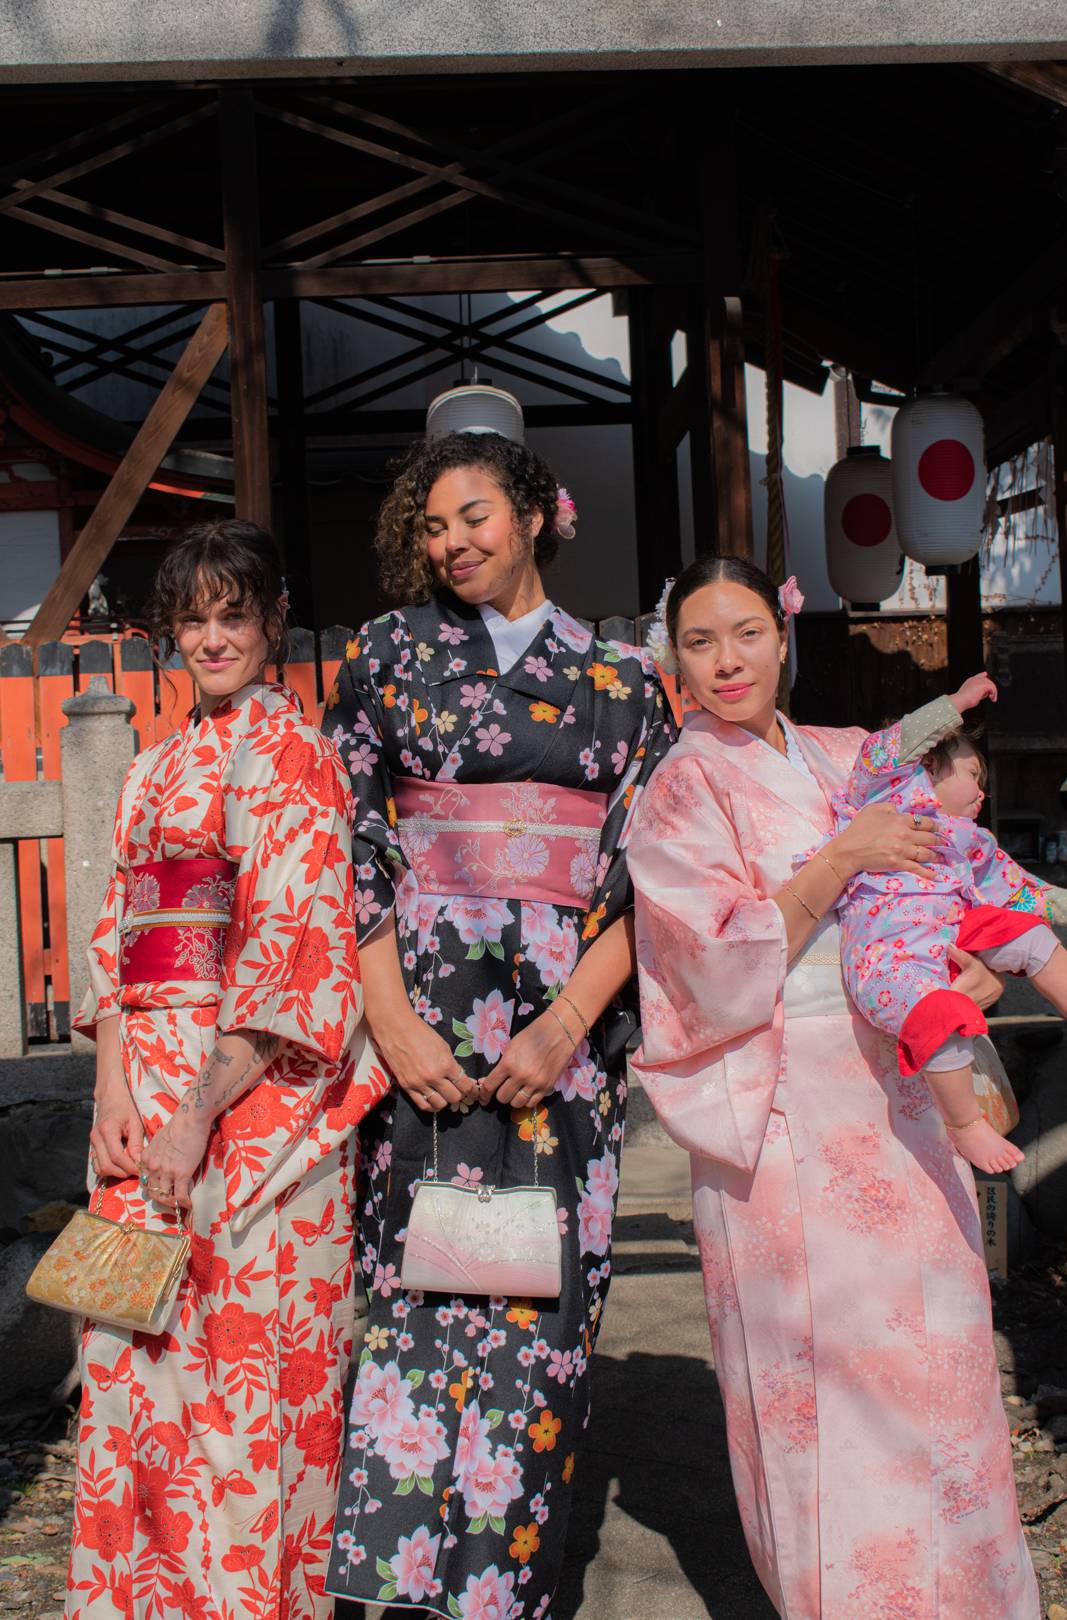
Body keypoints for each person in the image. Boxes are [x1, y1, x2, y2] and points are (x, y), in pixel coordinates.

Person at [628, 556, 1038, 1618]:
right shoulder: (681, 788)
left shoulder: (848, 755)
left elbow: (951, 862)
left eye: (748, 634)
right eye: (702, 641)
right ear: (673, 656)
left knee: (938, 1365)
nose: (727, 662)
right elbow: (704, 966)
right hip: (784, 1106)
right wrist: (841, 860)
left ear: (784, 634)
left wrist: (979, 953)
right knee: (818, 1389)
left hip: (898, 1098)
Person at [322, 430, 674, 1618]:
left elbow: (648, 876)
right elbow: (352, 843)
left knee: (538, 1307)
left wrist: (568, 1025)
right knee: (418, 1293)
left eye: (472, 516)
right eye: (429, 527)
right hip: (421, 1017)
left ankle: (503, 1591)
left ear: (532, 514)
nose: (451, 543)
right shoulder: (384, 657)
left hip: (556, 1038)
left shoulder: (621, 678)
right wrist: (392, 1023)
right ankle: (399, 1585)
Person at [68, 520, 389, 1620]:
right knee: (127, 1367)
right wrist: (112, 1092)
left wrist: (198, 1117)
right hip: (143, 1095)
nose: (211, 638)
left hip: (258, 1105)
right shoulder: (152, 771)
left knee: (246, 1389)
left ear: (273, 622)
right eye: (192, 619)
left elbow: (290, 957)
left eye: (231, 615)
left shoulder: (296, 758)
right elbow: (115, 937)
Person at [833, 672, 1067, 1174]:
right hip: (891, 963)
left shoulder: (970, 840)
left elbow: (1015, 888)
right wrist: (956, 704)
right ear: (928, 764)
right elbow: (886, 749)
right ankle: (966, 1124)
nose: (982, 791)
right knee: (941, 1012)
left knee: (1026, 931)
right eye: (973, 773)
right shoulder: (886, 793)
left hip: (947, 940)